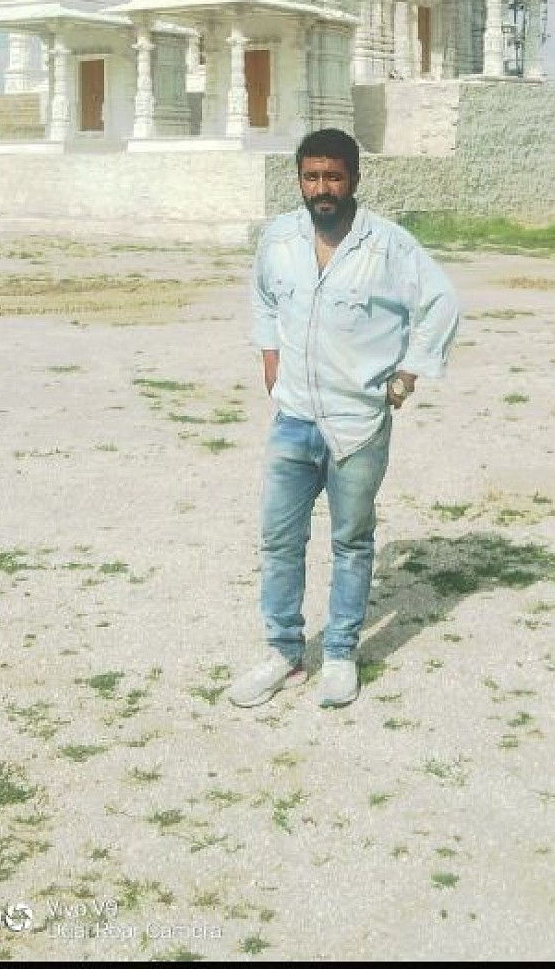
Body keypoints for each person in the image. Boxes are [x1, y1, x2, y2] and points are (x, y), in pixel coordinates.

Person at [227, 127, 460, 711]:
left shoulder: (388, 245)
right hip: (294, 418)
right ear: (300, 179)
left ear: (353, 179)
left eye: (333, 176)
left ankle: (339, 654)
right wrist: (270, 355)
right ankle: (283, 653)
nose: (322, 188)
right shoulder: (279, 238)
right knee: (280, 541)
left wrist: (409, 373)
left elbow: (440, 302)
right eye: (312, 176)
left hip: (358, 423)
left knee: (352, 543)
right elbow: (263, 297)